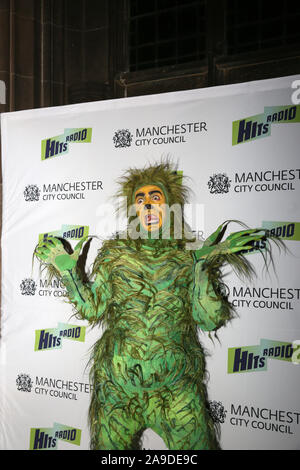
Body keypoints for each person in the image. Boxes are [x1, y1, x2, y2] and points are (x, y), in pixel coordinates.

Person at [35, 160, 279, 450]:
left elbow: (210, 319)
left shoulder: (189, 256)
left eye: (155, 197)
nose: (148, 206)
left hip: (176, 389)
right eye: (141, 199)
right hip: (118, 388)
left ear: (171, 206)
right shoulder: (116, 256)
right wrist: (68, 273)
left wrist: (202, 268)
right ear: (133, 210)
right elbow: (93, 309)